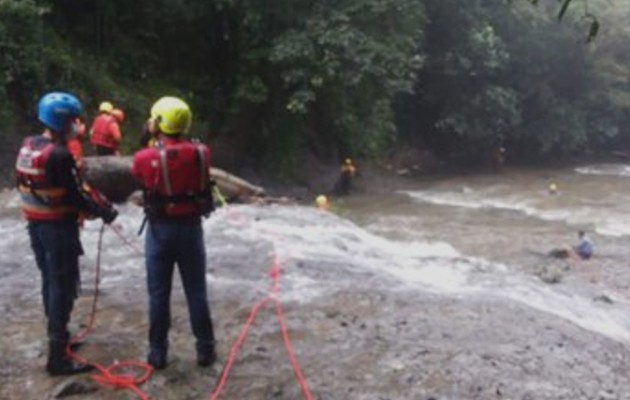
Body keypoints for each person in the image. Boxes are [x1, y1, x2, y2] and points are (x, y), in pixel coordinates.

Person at [15, 92, 118, 376]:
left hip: (36, 226)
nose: (76, 125)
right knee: (63, 285)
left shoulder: (28, 146)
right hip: (59, 229)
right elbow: (75, 197)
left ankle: (57, 335)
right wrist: (105, 212)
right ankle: (58, 356)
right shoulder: (60, 154)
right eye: (73, 120)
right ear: (62, 122)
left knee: (50, 281)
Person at [131, 96, 217, 370]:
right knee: (196, 292)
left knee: (158, 294)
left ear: (157, 123)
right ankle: (205, 350)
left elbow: (140, 174)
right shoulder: (202, 152)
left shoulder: (145, 156)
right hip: (191, 229)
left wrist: (147, 136)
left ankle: (158, 353)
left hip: (160, 232)